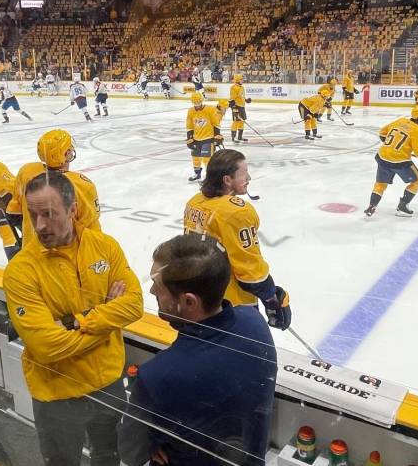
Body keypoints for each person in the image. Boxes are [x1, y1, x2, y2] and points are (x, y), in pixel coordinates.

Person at [4, 170, 143, 466]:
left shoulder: (105, 246)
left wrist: (76, 321)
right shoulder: (21, 270)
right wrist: (107, 317)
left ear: (73, 210)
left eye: (49, 214)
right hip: (57, 394)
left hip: (108, 384)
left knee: (109, 458)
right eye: (32, 214)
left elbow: (134, 305)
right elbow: (46, 346)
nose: (40, 225)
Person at [119, 234, 277, 466]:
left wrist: (152, 446)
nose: (152, 291)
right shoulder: (254, 322)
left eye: (158, 285)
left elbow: (131, 452)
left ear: (189, 302)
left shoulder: (160, 376)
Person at [182, 149, 291, 330]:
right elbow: (249, 272)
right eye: (244, 173)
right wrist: (271, 298)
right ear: (227, 180)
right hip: (230, 305)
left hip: (197, 294)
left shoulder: (194, 202)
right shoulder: (237, 212)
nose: (249, 177)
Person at [7, 130, 101, 254]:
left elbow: (13, 211)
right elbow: (91, 228)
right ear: (67, 154)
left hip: (31, 253)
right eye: (69, 149)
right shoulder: (81, 185)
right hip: (66, 259)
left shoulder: (26, 171)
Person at [364, 105, 418, 218]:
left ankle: (372, 206)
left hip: (383, 156)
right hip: (400, 162)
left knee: (380, 183)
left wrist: (394, 146)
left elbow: (382, 133)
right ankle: (403, 207)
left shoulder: (401, 120)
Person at [185, 93, 223, 183]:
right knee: (195, 157)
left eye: (198, 101)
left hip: (208, 138)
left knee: (207, 159)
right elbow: (189, 125)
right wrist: (189, 139)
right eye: (195, 102)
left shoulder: (209, 109)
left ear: (201, 100)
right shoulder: (191, 111)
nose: (197, 103)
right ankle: (197, 174)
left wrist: (217, 136)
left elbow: (216, 123)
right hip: (196, 139)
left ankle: (210, 177)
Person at [228, 73, 251, 143]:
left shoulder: (241, 87)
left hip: (242, 106)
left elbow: (241, 96)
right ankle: (233, 137)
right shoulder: (233, 87)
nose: (242, 80)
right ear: (237, 80)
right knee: (236, 121)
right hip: (236, 106)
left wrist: (246, 100)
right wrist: (234, 106)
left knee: (242, 121)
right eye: (241, 79)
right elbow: (232, 98)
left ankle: (240, 137)